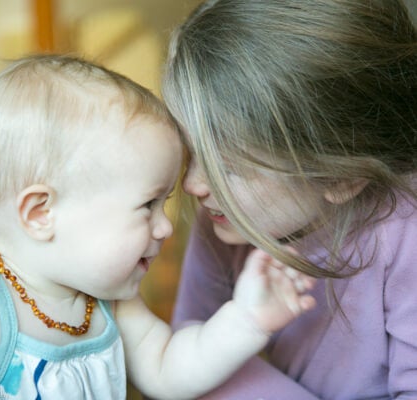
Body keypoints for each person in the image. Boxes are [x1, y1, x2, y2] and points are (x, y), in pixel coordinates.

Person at [0, 54, 316, 400]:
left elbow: (167, 370)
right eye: (147, 205)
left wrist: (246, 319)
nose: (165, 229)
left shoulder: (104, 300)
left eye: (166, 204)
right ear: (41, 213)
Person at [162, 0, 417, 398]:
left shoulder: (405, 234)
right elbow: (185, 347)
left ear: (341, 177)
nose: (193, 184)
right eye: (192, 152)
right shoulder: (226, 220)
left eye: (227, 166)